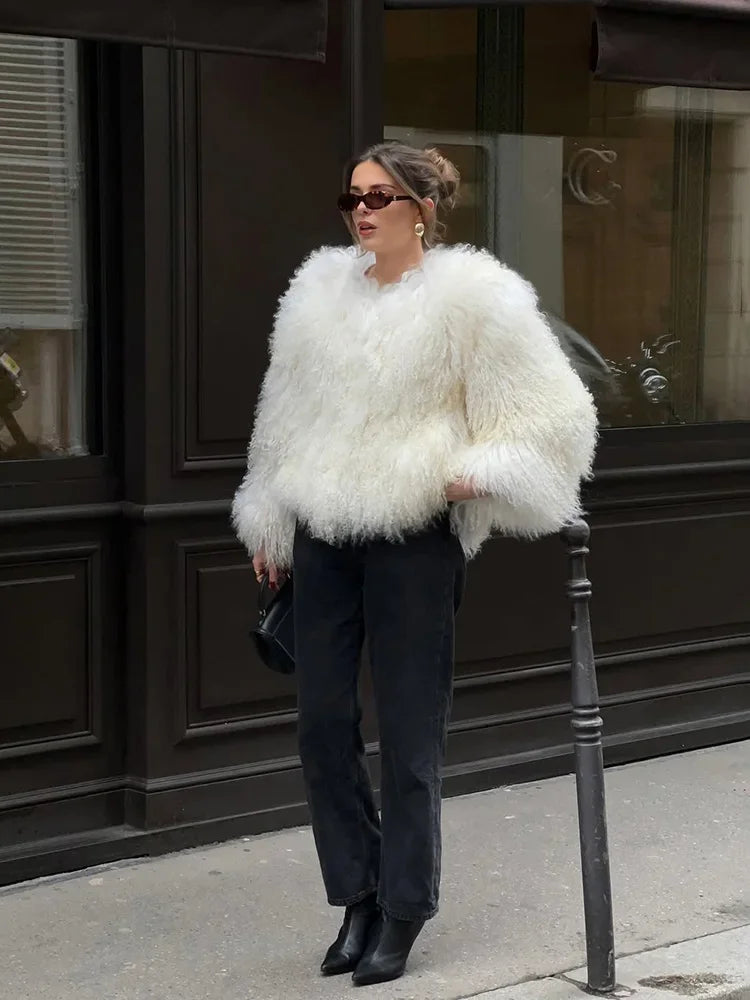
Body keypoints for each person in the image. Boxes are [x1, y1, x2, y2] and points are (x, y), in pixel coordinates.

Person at [231, 141, 598, 986]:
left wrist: (476, 471)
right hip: (324, 531)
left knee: (408, 736)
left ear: (424, 209)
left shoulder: (474, 298)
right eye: (352, 197)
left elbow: (557, 415)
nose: (361, 211)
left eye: (381, 197)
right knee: (321, 726)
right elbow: (282, 417)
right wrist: (269, 517)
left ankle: (404, 906)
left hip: (413, 539)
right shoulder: (316, 294)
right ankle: (357, 894)